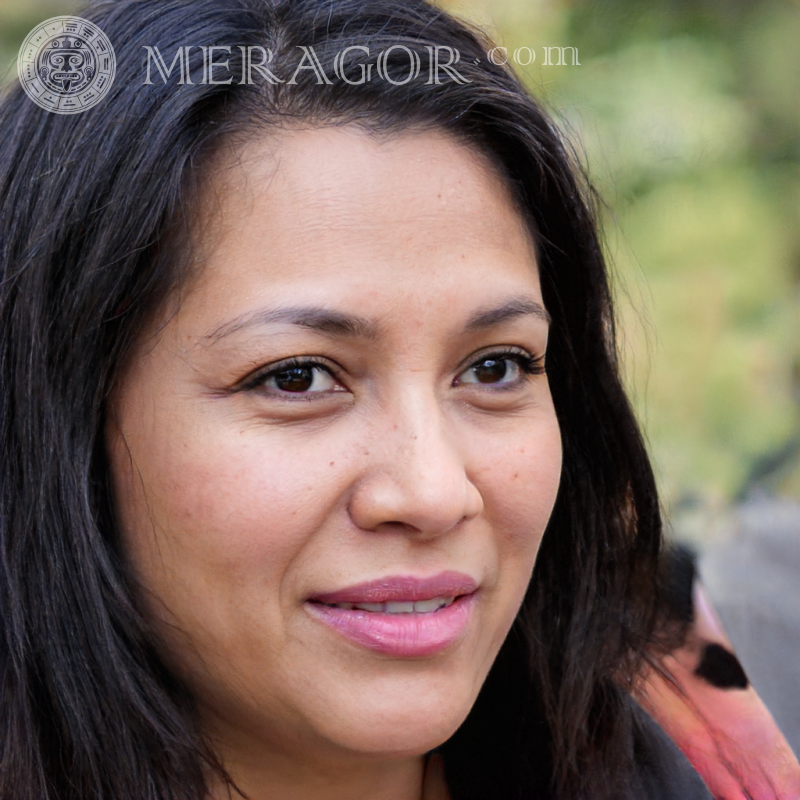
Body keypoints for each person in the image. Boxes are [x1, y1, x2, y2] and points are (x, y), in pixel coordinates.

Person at [0, 1, 797, 799]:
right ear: (62, 425)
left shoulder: (725, 751)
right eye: (297, 377)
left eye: (495, 368)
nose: (434, 493)